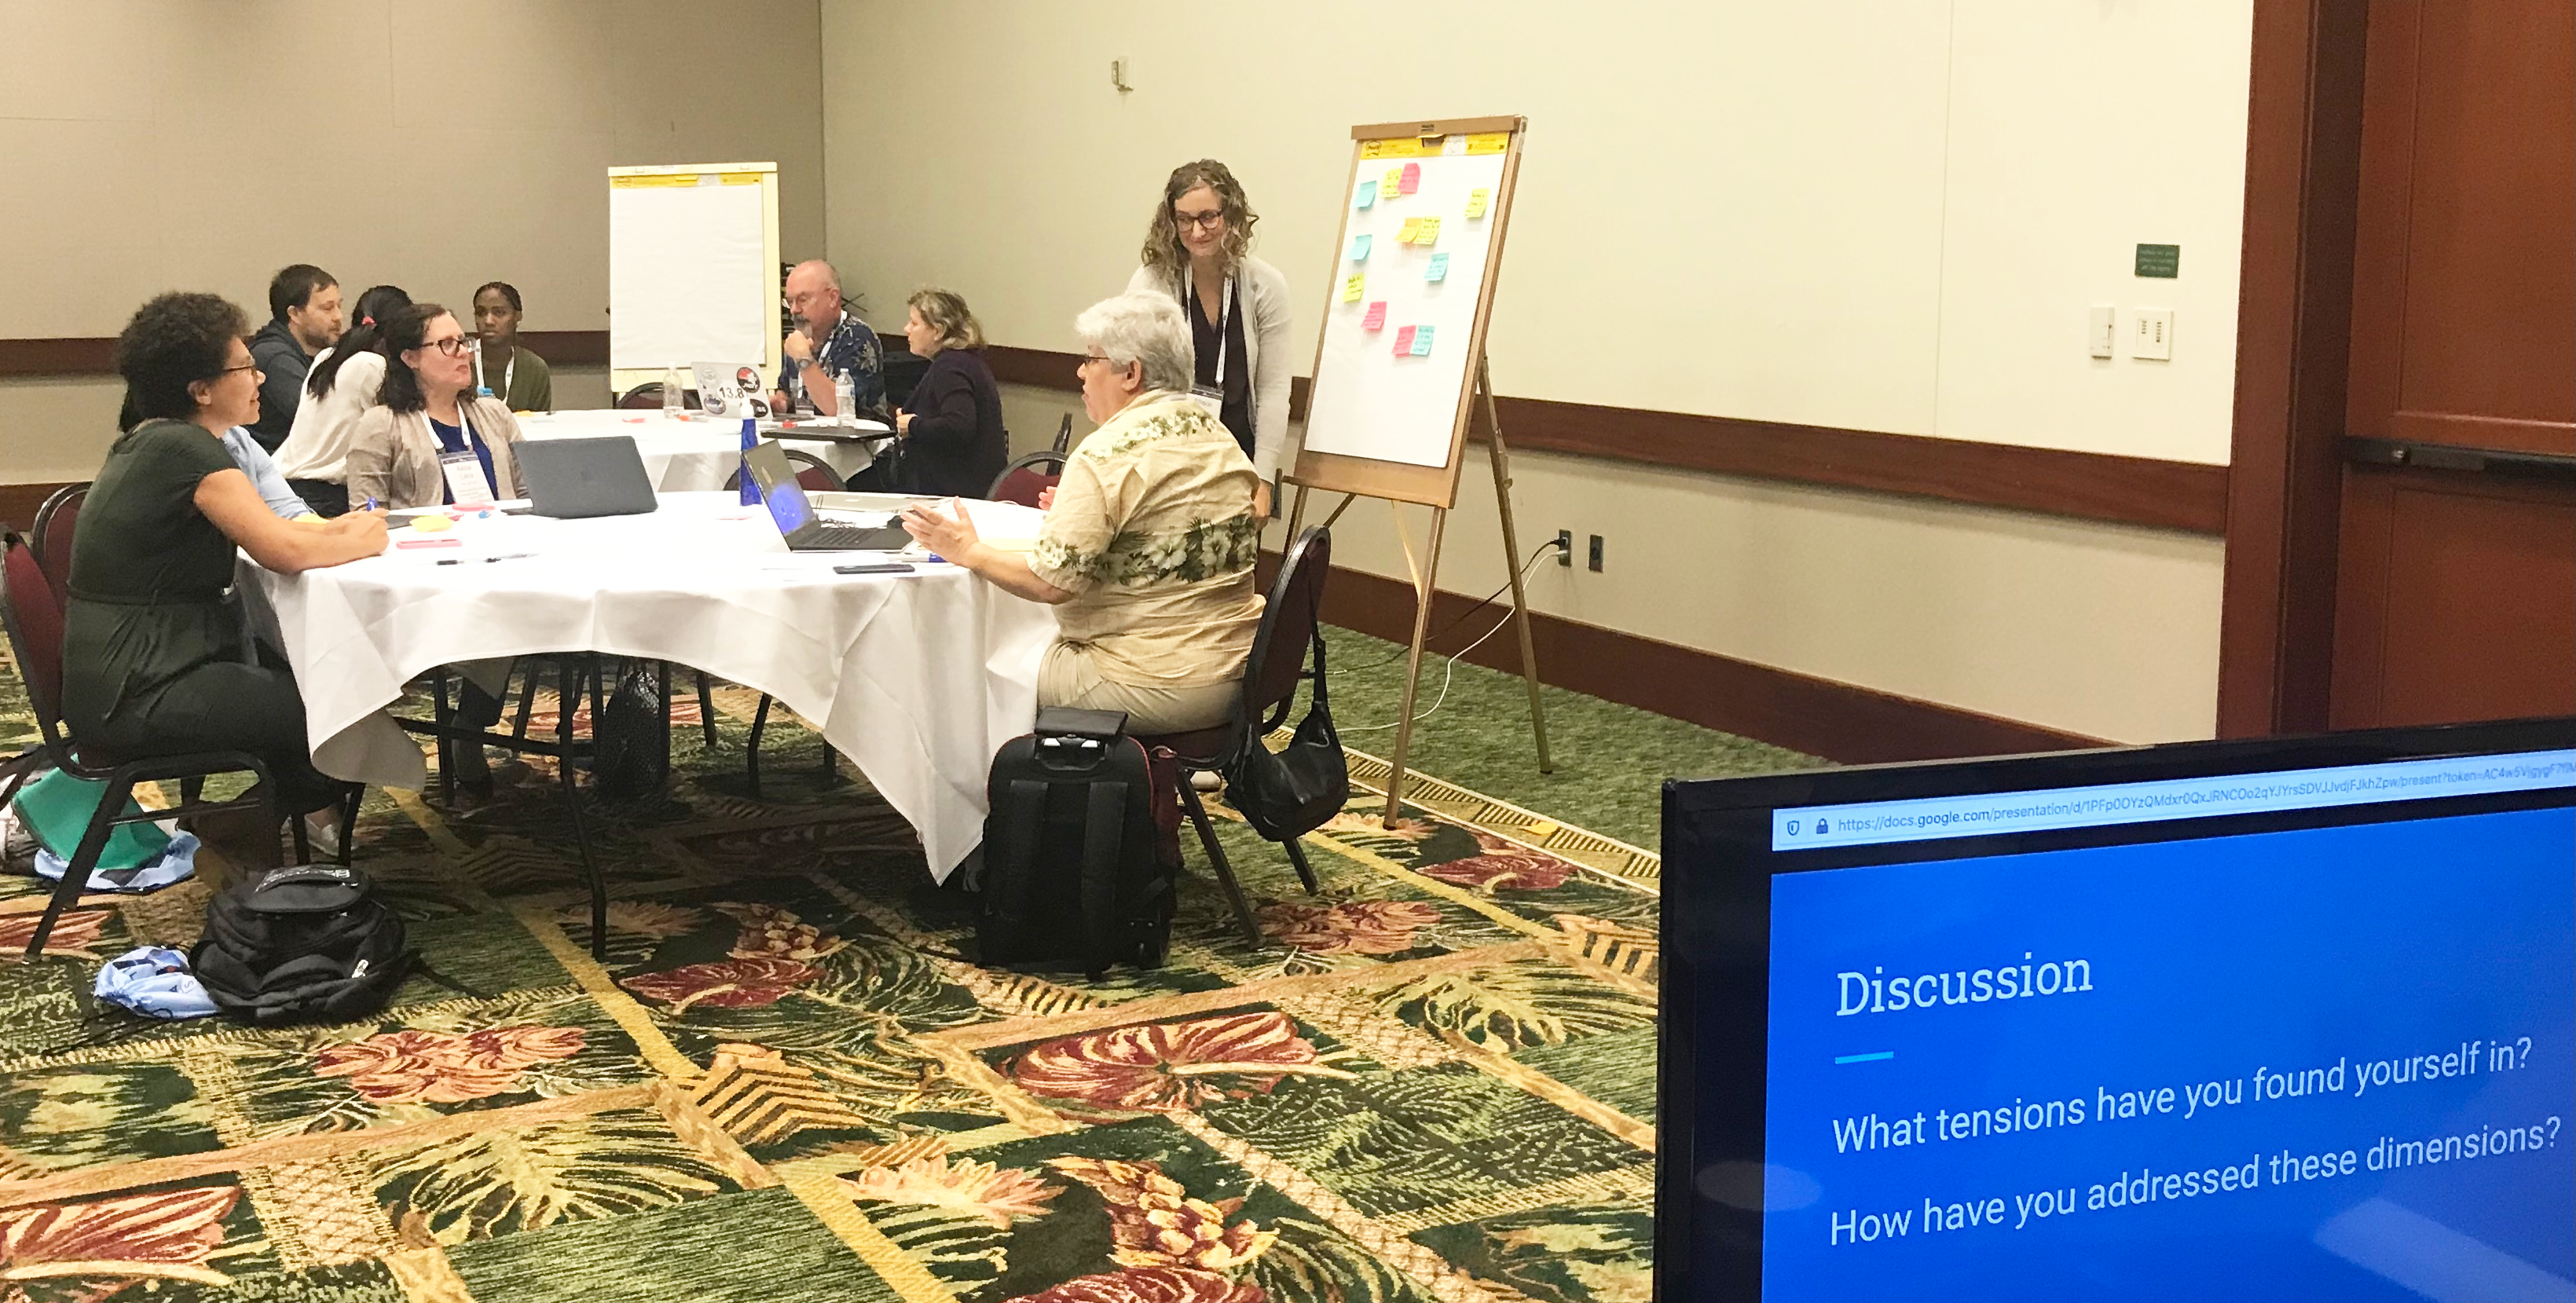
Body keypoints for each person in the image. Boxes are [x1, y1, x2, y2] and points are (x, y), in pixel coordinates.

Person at [66, 293, 387, 856]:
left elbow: (281, 529)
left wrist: (343, 533)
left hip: (131, 668)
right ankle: (256, 830)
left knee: (312, 676)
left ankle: (252, 829)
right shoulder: (187, 450)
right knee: (330, 698)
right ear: (202, 389)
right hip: (140, 686)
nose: (259, 375)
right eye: (245, 366)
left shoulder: (159, 439)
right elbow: (282, 549)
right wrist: (366, 536)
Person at [900, 294, 1262, 734]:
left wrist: (967, 550)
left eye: (1090, 359)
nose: (1080, 372)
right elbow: (1166, 519)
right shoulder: (1217, 436)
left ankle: (975, 796)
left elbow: (1049, 582)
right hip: (1238, 670)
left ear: (1131, 373)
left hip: (1149, 680)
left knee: (969, 660)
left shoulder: (1107, 453)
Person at [1125, 159, 1292, 519]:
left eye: (1208, 218)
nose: (1197, 232)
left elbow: (1274, 391)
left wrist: (1263, 481)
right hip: (1165, 461)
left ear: (1230, 215)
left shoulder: (1265, 286)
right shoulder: (1151, 282)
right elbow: (1131, 381)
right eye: (1184, 219)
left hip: (1237, 460)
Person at [345, 303, 526, 510]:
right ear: (410, 358)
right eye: (447, 344)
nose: (463, 353)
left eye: (463, 341)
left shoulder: (496, 414)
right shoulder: (381, 425)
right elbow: (367, 515)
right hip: (423, 540)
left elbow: (529, 492)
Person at [275, 285, 411, 517]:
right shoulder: (372, 366)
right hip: (329, 495)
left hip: (289, 488)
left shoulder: (327, 356)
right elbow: (393, 439)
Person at [880, 288, 1006, 497]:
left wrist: (912, 425)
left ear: (938, 331)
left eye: (914, 323)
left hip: (955, 494)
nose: (906, 329)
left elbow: (958, 426)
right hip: (965, 488)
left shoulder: (951, 367)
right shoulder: (966, 361)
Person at [768, 260, 885, 419]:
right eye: (790, 302)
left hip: (856, 439)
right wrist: (780, 403)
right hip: (808, 435)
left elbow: (839, 409)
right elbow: (786, 390)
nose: (794, 309)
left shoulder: (857, 337)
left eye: (802, 300)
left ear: (832, 298)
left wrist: (804, 360)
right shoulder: (800, 336)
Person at [245, 265, 341, 451]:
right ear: (295, 314)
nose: (338, 316)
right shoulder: (274, 357)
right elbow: (320, 420)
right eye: (328, 308)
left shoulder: (323, 352)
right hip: (278, 470)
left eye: (339, 306)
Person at [470, 281, 553, 412]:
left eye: (499, 313)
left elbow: (539, 426)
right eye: (481, 313)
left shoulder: (534, 368)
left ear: (517, 316)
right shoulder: (460, 363)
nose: (488, 321)